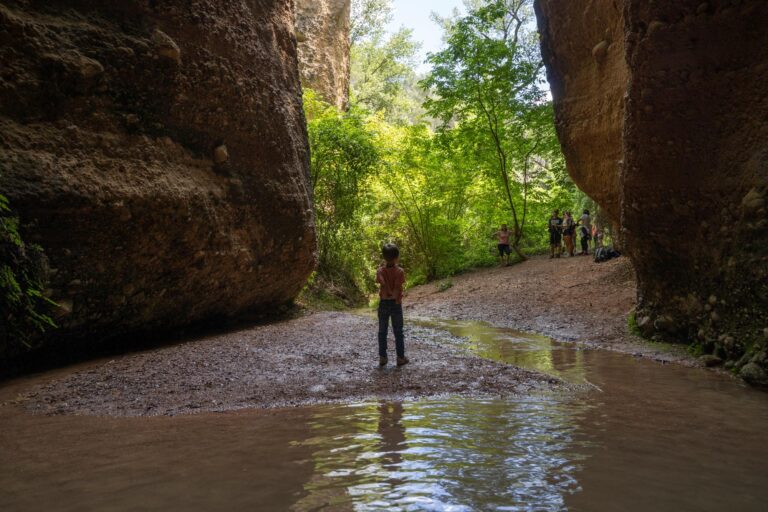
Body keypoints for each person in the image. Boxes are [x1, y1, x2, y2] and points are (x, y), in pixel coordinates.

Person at [376, 243, 408, 367]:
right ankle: (400, 357)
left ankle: (383, 357)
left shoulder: (380, 270)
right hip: (396, 303)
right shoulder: (400, 271)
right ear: (397, 257)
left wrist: (387, 291)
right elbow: (398, 287)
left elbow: (382, 282)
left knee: (382, 331)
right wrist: (393, 294)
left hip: (383, 303)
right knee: (398, 331)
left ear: (384, 257)